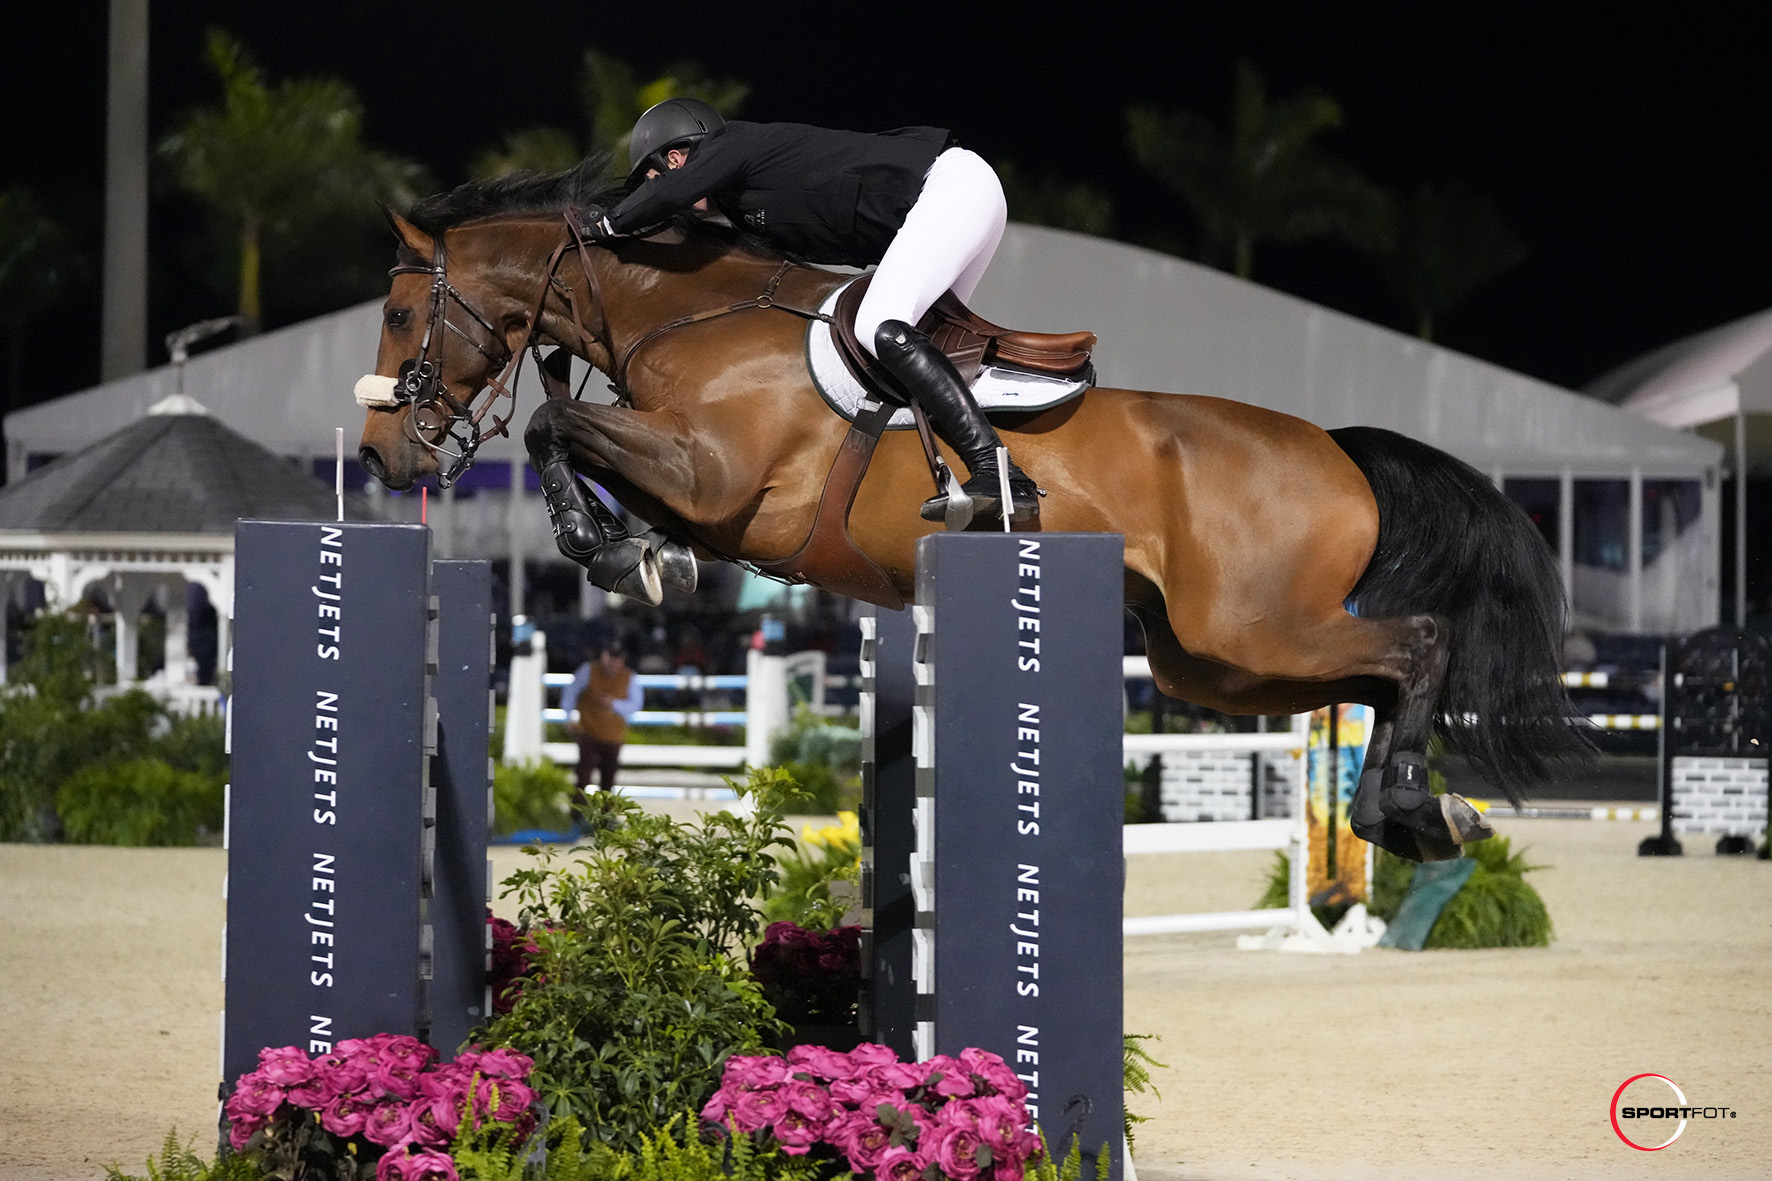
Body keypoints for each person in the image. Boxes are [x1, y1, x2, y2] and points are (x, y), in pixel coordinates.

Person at [582, 98, 1039, 526]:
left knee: (877, 324)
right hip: (955, 198)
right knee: (925, 349)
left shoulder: (731, 145)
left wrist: (606, 223)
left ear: (676, 158)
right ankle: (1014, 433)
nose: (654, 188)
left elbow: (670, 195)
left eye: (652, 176)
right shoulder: (743, 206)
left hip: (951, 189)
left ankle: (997, 472)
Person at [563, 638, 643, 798]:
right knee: (582, 776)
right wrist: (569, 716)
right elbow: (571, 692)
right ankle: (577, 815)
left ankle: (604, 818)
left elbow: (635, 705)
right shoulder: (588, 670)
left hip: (613, 735)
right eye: (610, 656)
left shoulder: (629, 677)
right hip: (588, 731)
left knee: (608, 780)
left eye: (617, 658)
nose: (613, 662)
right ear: (603, 656)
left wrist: (614, 704)